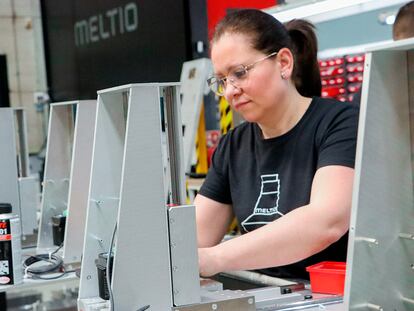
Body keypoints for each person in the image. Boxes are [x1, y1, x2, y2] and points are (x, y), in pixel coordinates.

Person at [195, 9, 359, 280]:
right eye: (222, 80)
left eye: (240, 72)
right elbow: (196, 237)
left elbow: (326, 222)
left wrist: (216, 257)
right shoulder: (233, 146)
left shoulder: (339, 124)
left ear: (283, 62)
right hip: (265, 295)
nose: (230, 90)